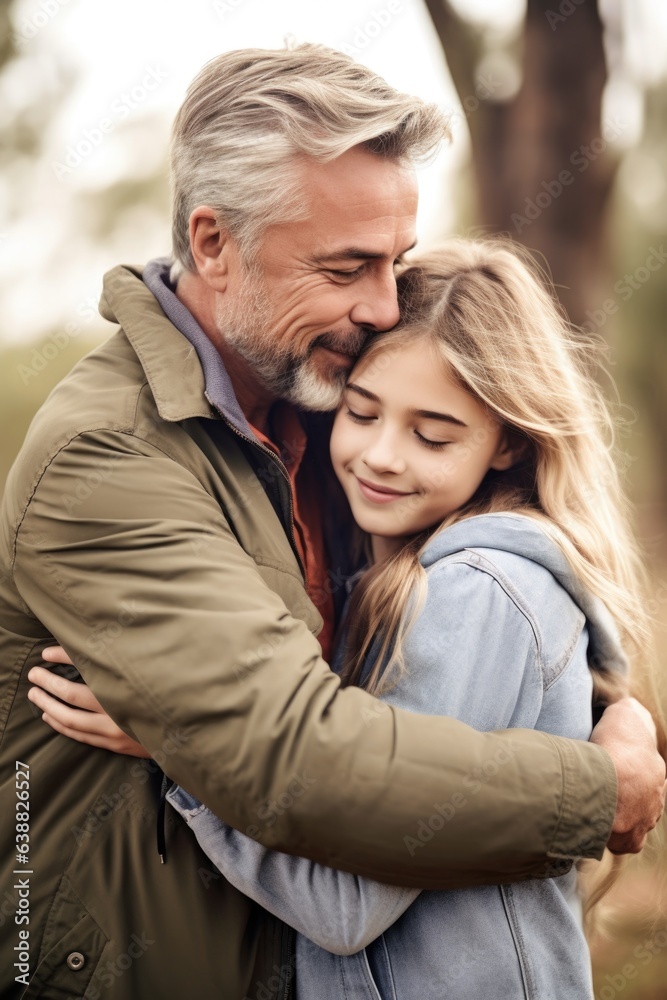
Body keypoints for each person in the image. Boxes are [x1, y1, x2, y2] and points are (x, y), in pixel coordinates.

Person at [1, 44, 664, 1000]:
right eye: (347, 266)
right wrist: (596, 792)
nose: (385, 305)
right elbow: (295, 754)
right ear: (215, 242)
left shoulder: (332, 403)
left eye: (394, 262)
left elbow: (467, 640)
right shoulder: (109, 458)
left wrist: (608, 710)